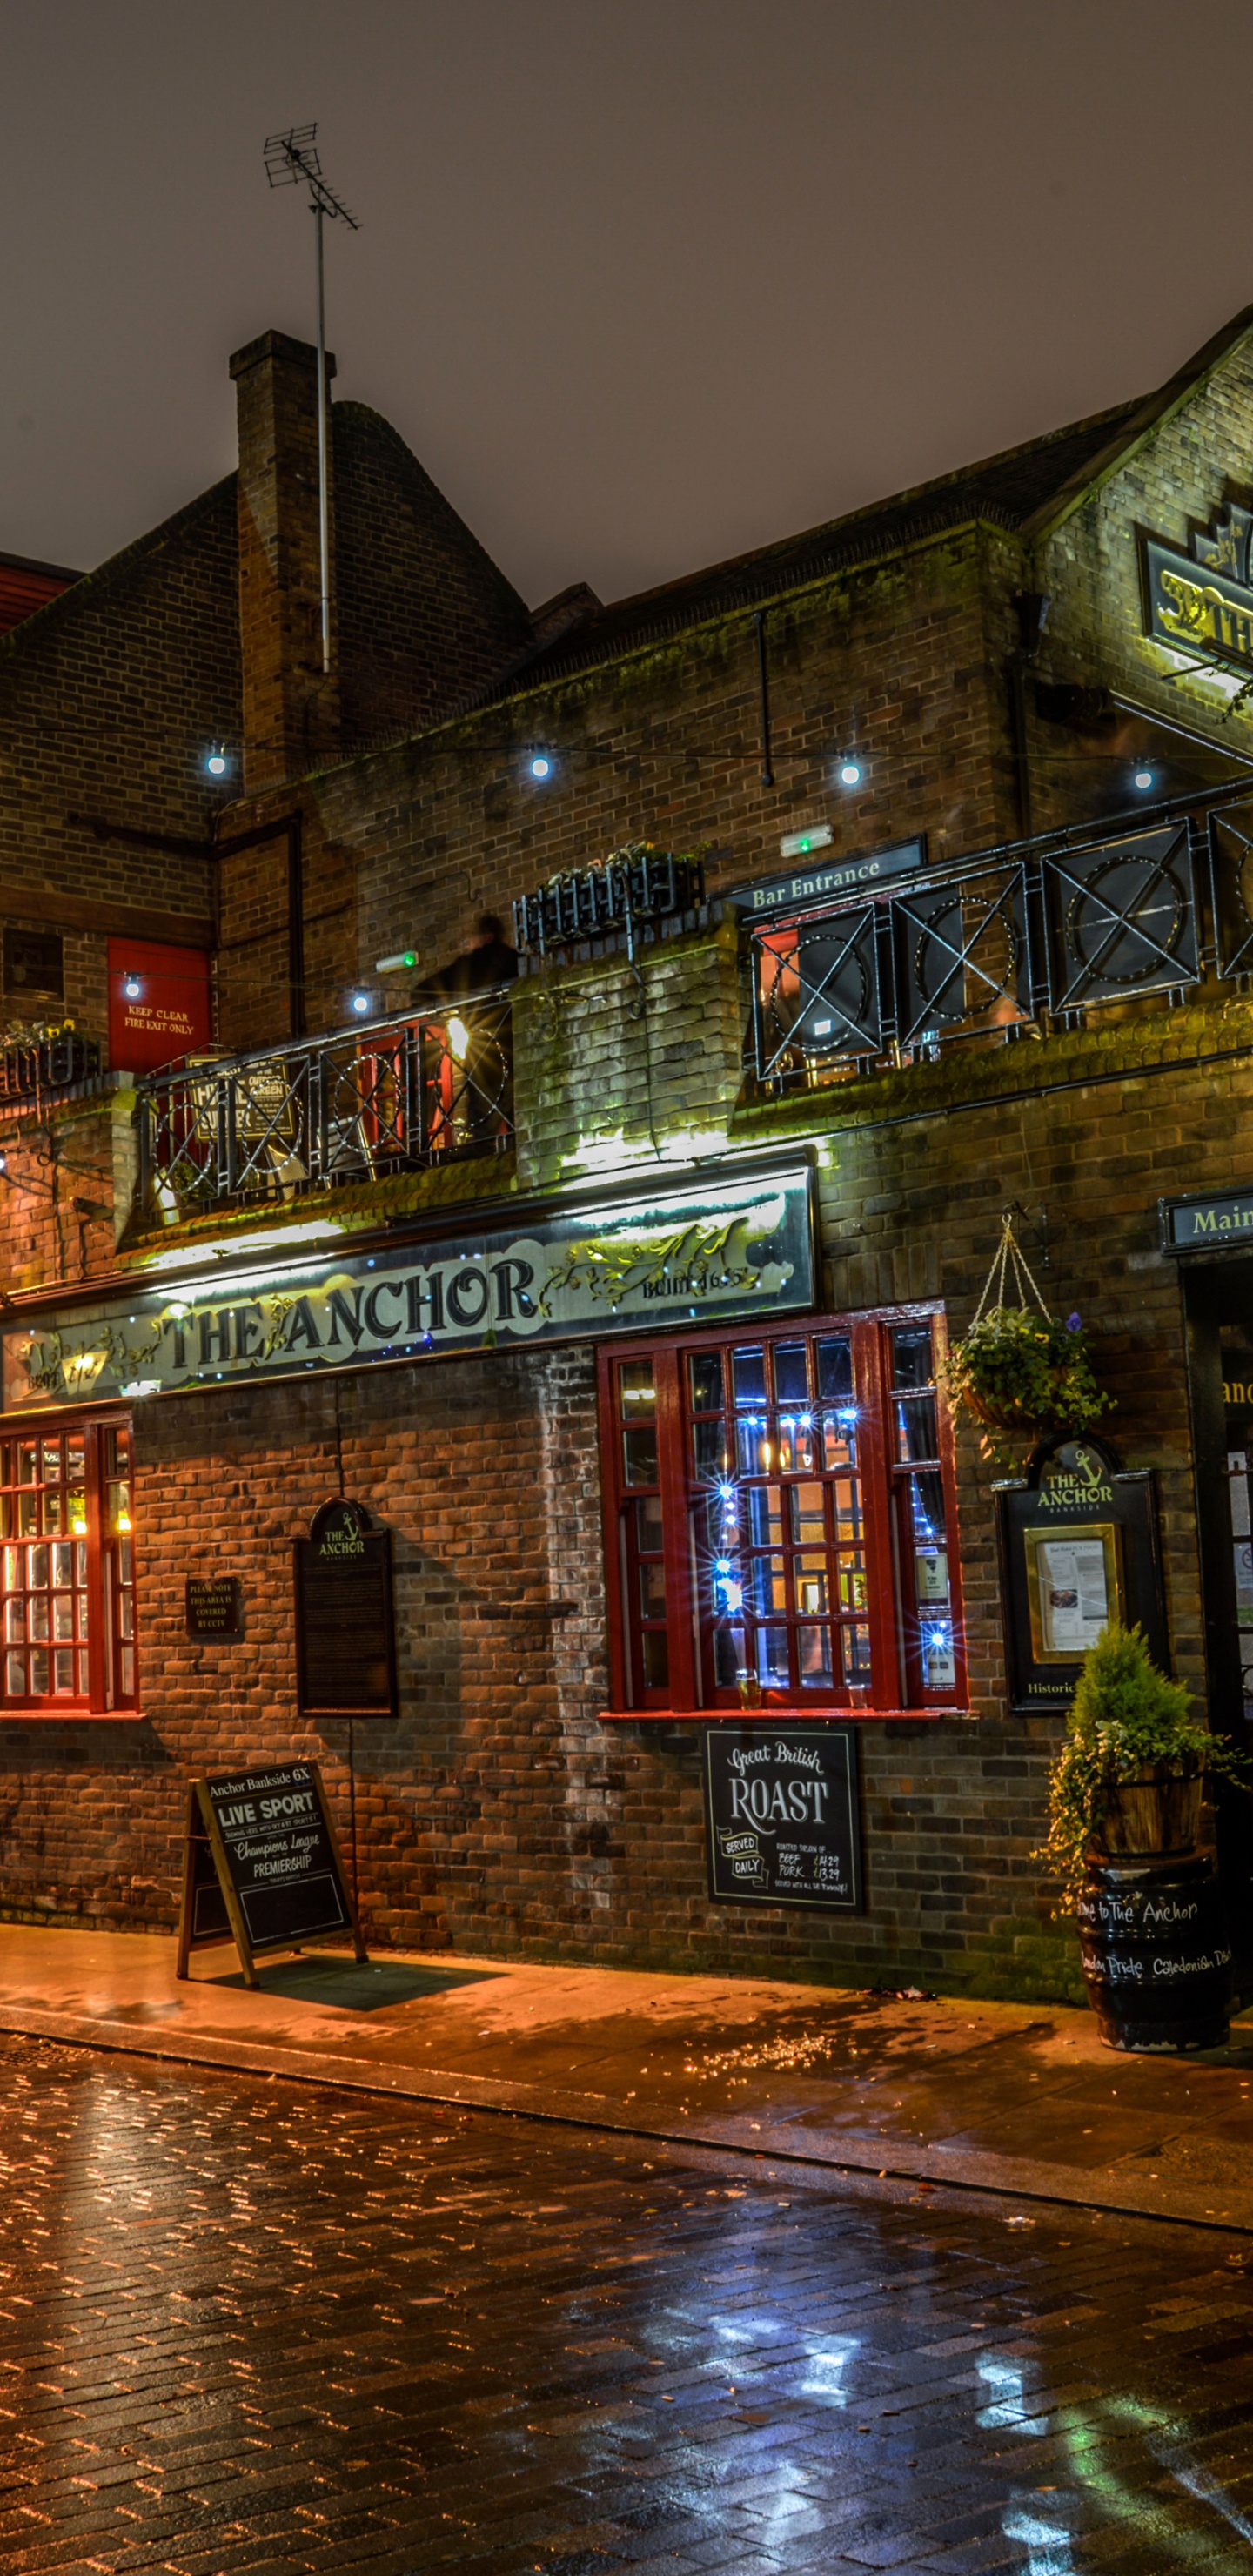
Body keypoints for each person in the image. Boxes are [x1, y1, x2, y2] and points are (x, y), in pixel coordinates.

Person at [423, 914, 518, 1147]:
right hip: (520, 1056)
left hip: (484, 1062)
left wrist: (447, 1012)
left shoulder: (468, 966)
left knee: (483, 1133)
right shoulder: (517, 962)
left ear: (486, 936)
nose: (468, 943)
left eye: (472, 938)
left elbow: (422, 992)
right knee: (522, 1129)